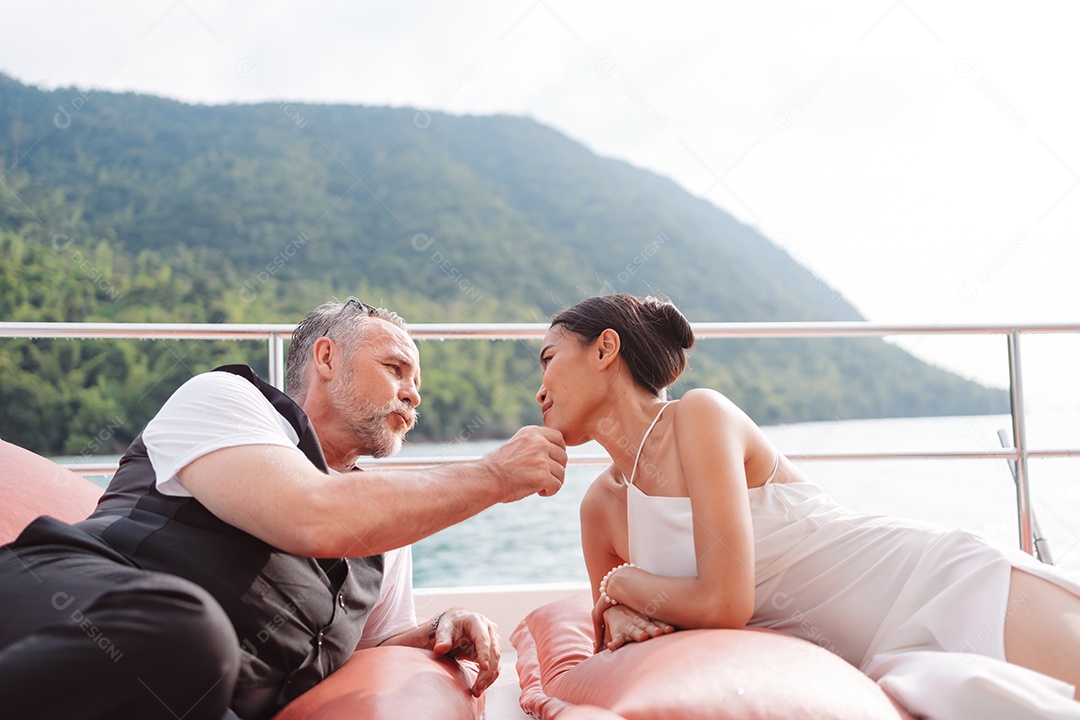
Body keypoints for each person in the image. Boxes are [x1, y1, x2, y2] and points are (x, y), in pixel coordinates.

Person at [0, 297, 567, 720]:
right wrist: (493, 475)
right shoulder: (227, 399)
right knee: (185, 631)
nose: (413, 394)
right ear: (326, 357)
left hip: (190, 694)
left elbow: (365, 652)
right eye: (396, 369)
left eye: (417, 383)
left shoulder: (387, 536)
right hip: (67, 599)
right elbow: (310, 515)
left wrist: (435, 631)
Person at [534, 293, 1080, 720]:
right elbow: (612, 628)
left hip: (936, 584)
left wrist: (623, 585)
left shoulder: (698, 418)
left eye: (548, 359)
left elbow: (724, 602)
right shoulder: (600, 509)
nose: (539, 389)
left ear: (606, 350)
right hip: (876, 655)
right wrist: (618, 600)